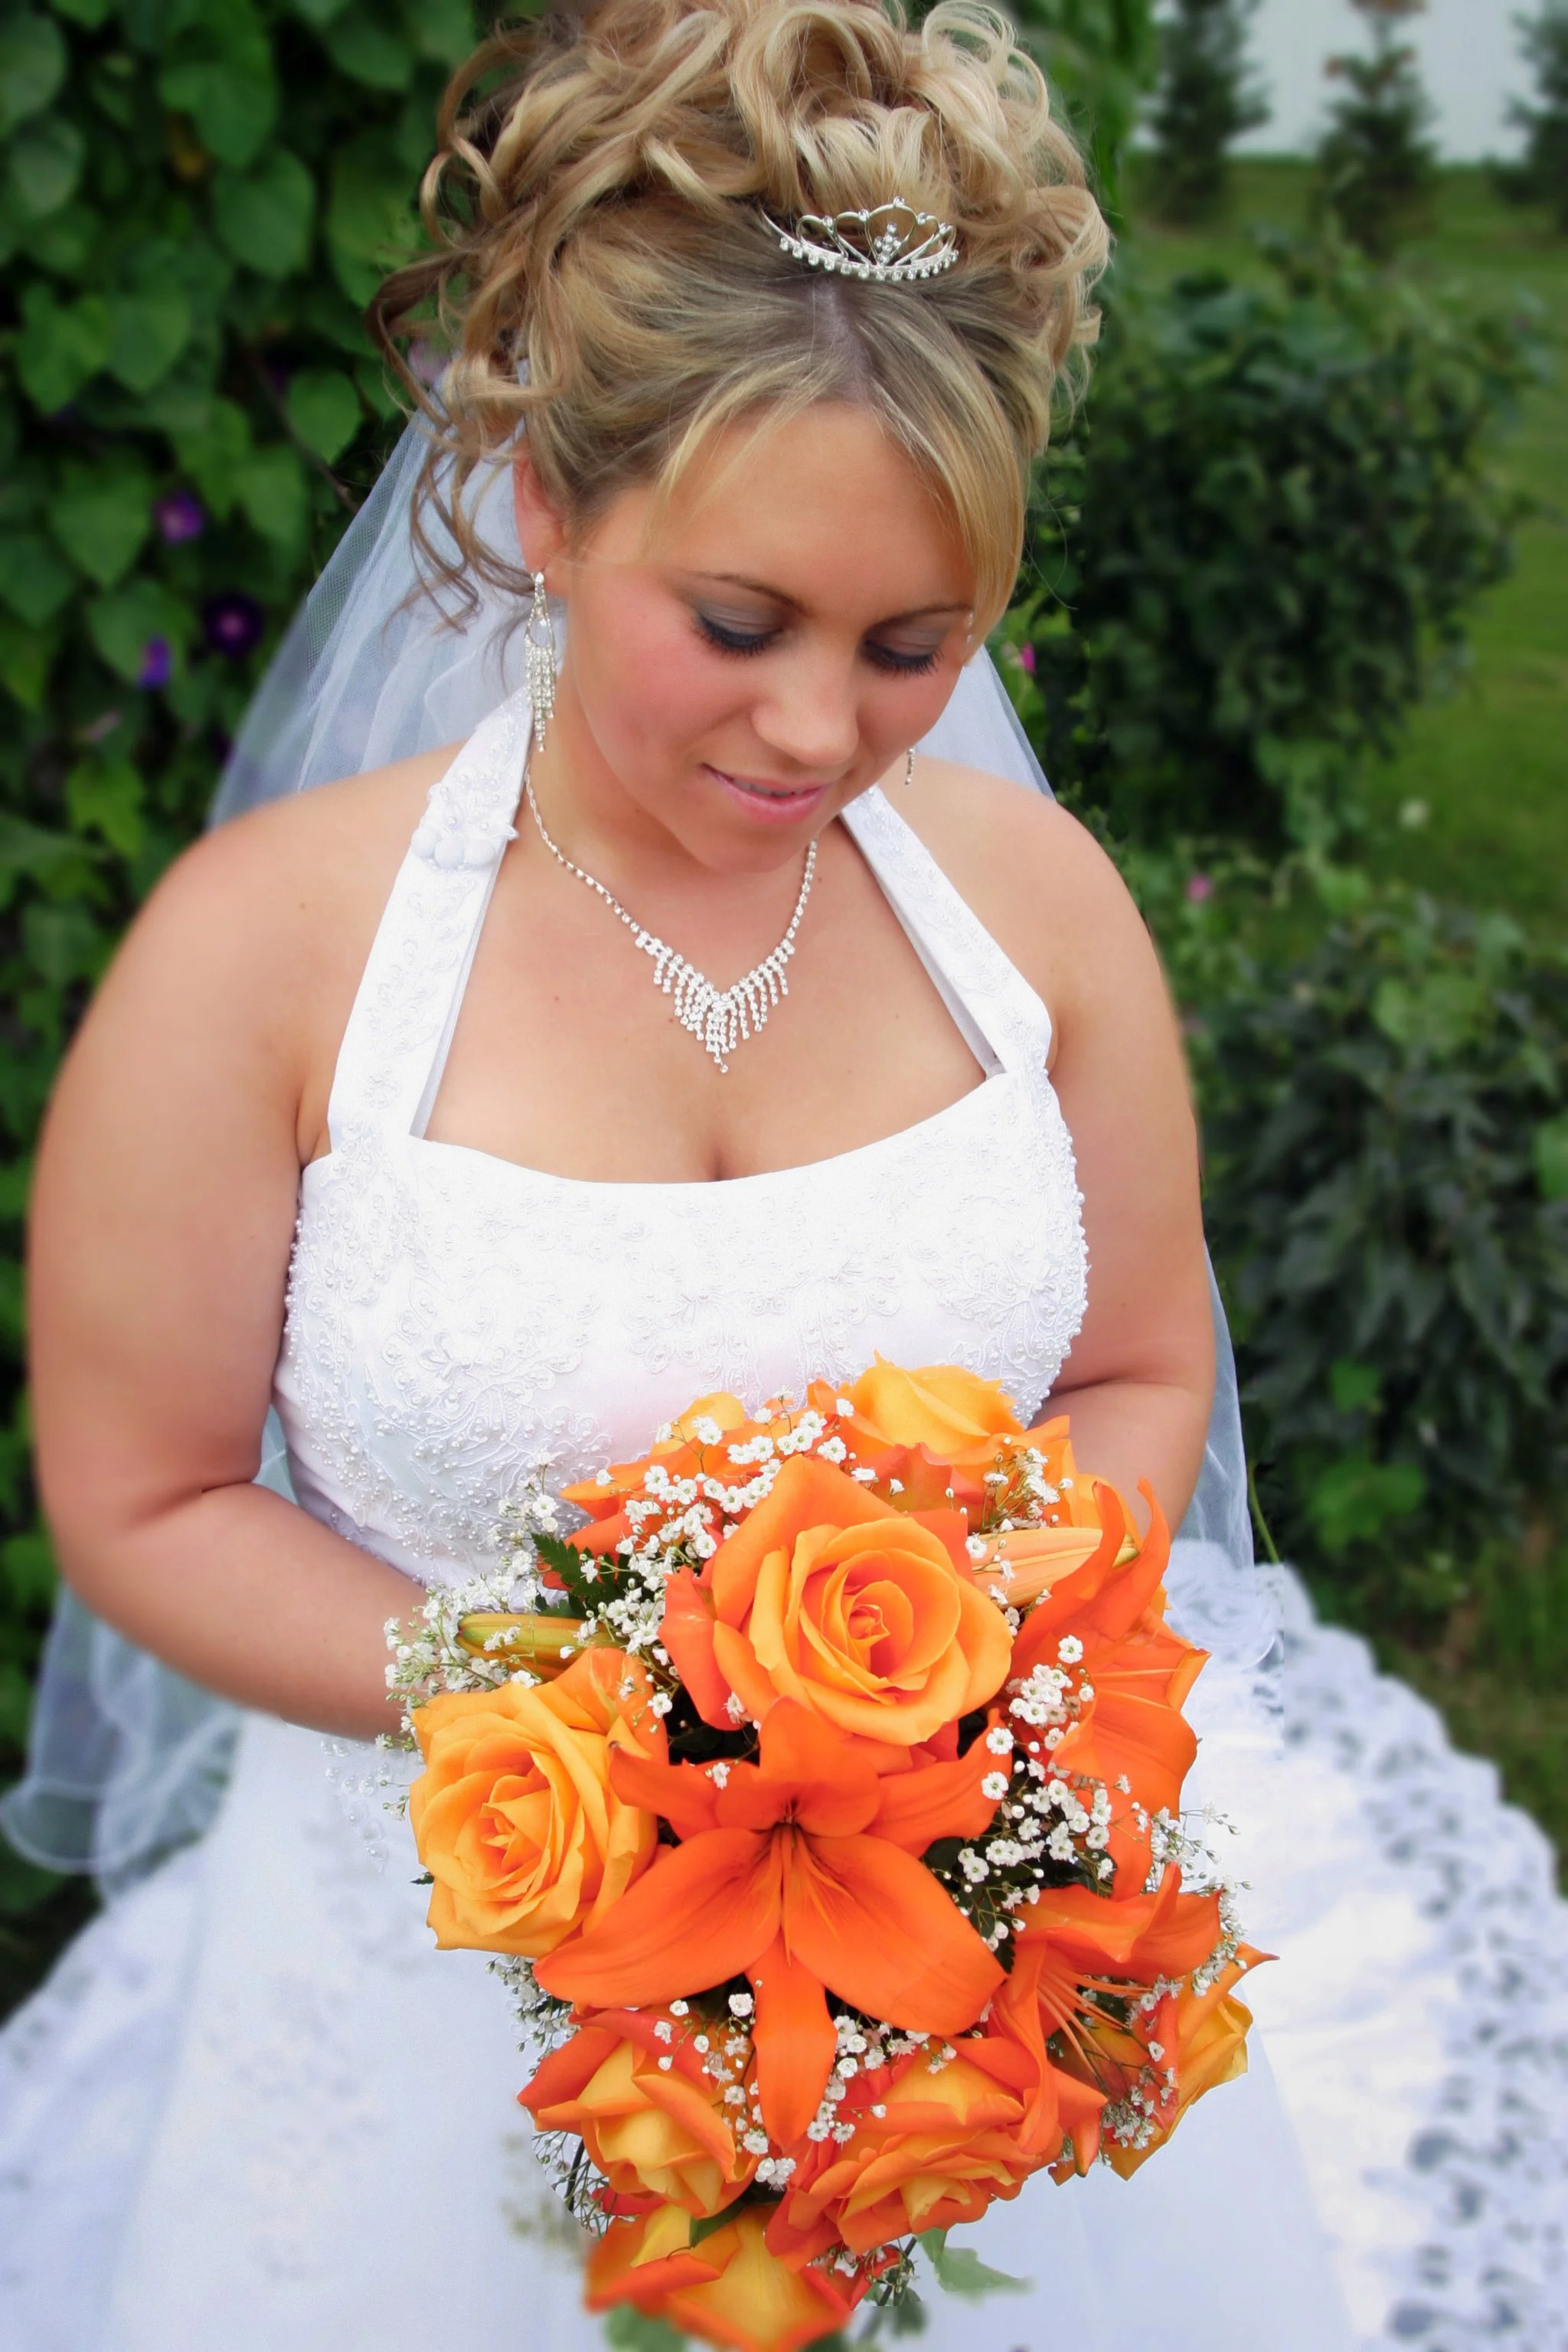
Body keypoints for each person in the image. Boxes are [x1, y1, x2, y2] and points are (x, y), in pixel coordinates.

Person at [1, 5, 1563, 2348]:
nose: (820, 727)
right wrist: (574, 1711)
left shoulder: (1037, 919)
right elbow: (136, 1500)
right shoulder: (268, 959)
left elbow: (1139, 1368)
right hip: (432, 1977)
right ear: (547, 499)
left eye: (913, 644)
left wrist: (956, 1724)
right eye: (738, 624)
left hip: (942, 1959)